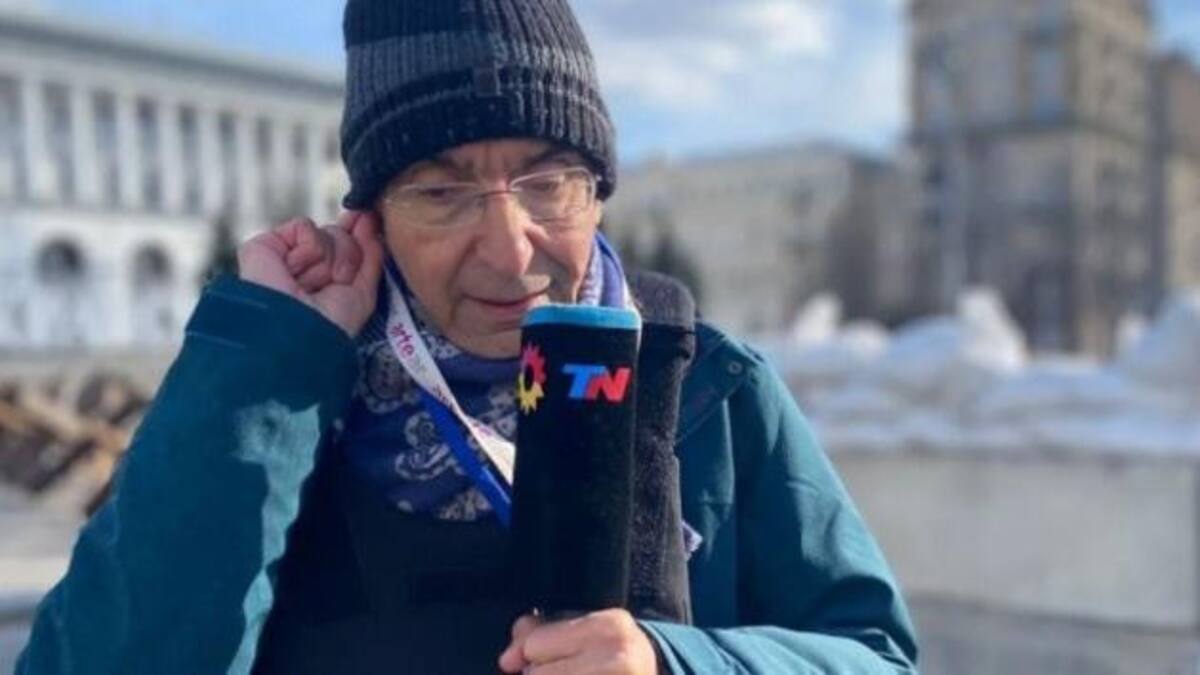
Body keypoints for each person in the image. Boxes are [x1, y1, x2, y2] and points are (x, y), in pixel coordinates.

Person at [17, 1, 919, 673]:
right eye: (441, 192)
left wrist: (678, 660)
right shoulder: (291, 394)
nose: (508, 244)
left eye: (547, 179)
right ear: (373, 214)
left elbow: (876, 655)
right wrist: (263, 365)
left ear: (598, 189)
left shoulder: (706, 387)